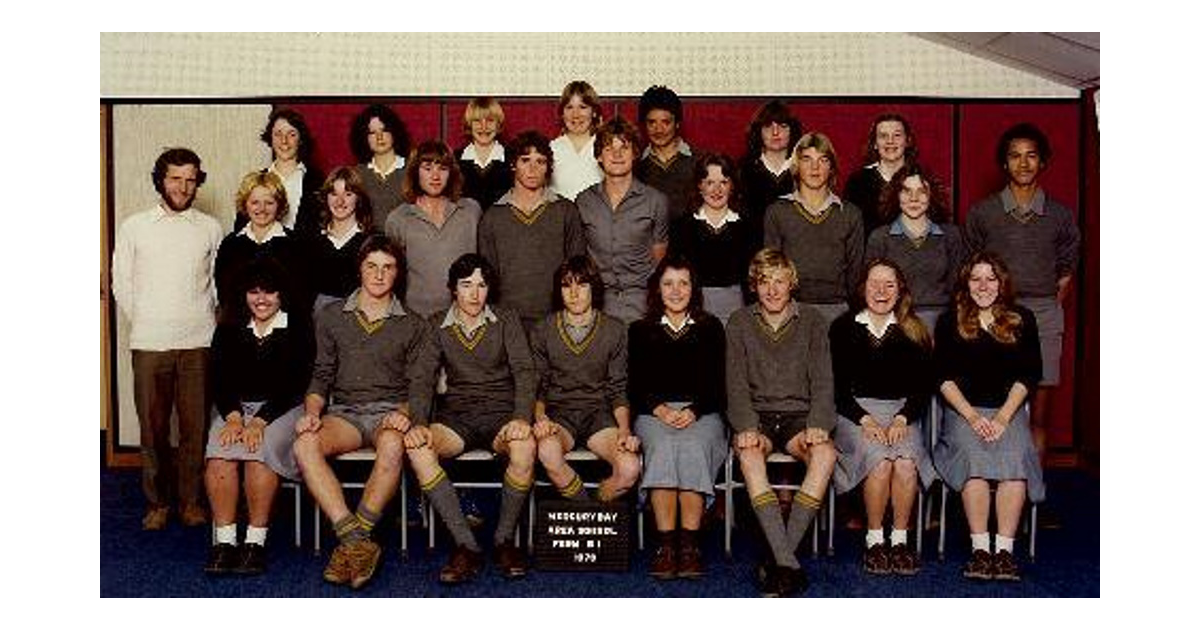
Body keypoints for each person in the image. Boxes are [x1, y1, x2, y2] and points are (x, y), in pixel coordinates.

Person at [292, 235, 433, 590]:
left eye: (388, 267)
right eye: (372, 266)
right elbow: (322, 374)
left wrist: (405, 412)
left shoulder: (414, 324)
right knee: (304, 444)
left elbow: (420, 385)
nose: (379, 275)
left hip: (391, 413)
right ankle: (355, 540)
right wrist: (312, 412)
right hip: (347, 414)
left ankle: (354, 543)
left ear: (398, 273)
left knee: (392, 445)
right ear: (360, 269)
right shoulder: (331, 316)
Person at [405, 254, 538, 583]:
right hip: (457, 417)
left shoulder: (506, 318)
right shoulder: (437, 323)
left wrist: (522, 417)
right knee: (419, 449)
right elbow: (422, 378)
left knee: (524, 448)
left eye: (481, 285)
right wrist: (420, 422)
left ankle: (503, 540)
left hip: (502, 415)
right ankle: (467, 545)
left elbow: (525, 371)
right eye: (466, 285)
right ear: (453, 289)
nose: (474, 294)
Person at [112, 147, 224, 530]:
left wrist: (206, 321)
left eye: (191, 179)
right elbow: (121, 283)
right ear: (161, 180)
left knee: (195, 428)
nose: (183, 186)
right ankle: (158, 503)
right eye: (175, 178)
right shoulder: (134, 227)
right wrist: (145, 319)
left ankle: (191, 502)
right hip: (149, 340)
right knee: (153, 427)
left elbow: (215, 287)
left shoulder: (209, 228)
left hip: (198, 340)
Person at [964, 122, 1080, 464]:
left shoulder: (1059, 215)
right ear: (1004, 163)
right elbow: (971, 268)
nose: (1023, 163)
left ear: (1042, 162)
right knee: (997, 407)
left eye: (1031, 156)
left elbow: (1066, 273)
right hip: (995, 314)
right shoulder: (982, 213)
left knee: (1038, 415)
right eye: (1015, 156)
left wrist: (1040, 310)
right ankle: (994, 488)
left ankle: (1033, 498)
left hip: (1043, 315)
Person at [725, 248, 836, 596]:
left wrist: (818, 422)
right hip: (757, 416)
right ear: (753, 287)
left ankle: (778, 559)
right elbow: (735, 383)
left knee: (826, 455)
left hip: (799, 417)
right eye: (763, 282)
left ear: (792, 284)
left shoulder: (814, 321)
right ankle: (788, 562)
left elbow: (822, 381)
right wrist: (745, 426)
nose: (772, 289)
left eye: (779, 281)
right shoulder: (740, 322)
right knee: (749, 456)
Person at [933, 252, 1044, 582]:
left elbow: (1029, 375)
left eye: (990, 278)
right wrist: (971, 417)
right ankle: (981, 551)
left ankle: (1005, 553)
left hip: (1006, 412)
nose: (983, 285)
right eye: (976, 278)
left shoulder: (1021, 318)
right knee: (973, 458)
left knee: (1015, 458)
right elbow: (942, 377)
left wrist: (1002, 419)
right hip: (963, 412)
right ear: (966, 284)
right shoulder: (949, 320)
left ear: (1002, 283)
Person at [203, 258, 314, 575]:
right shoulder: (228, 327)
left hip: (282, 409)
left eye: (269, 292)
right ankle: (224, 542)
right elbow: (219, 379)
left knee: (256, 452)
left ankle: (254, 543)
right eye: (254, 292)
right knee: (220, 456)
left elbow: (297, 383)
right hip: (235, 408)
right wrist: (235, 418)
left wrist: (259, 421)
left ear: (282, 295)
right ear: (244, 295)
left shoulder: (298, 326)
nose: (261, 299)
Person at [829, 259, 936, 577]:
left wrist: (904, 418)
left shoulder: (913, 329)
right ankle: (875, 541)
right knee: (879, 461)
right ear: (863, 288)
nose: (881, 291)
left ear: (900, 290)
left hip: (902, 412)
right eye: (875, 283)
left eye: (890, 285)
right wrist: (866, 420)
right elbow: (834, 388)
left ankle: (900, 542)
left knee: (904, 462)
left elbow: (923, 386)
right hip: (855, 415)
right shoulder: (843, 327)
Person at [628, 254, 726, 580]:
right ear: (657, 289)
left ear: (693, 289)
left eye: (683, 283)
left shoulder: (711, 328)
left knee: (693, 446)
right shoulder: (640, 330)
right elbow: (634, 385)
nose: (676, 290)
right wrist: (661, 410)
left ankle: (690, 544)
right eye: (668, 283)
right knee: (662, 446)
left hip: (703, 412)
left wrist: (694, 411)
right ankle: (666, 545)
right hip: (653, 412)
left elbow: (719, 384)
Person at [531, 256, 640, 506]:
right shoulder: (543, 329)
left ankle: (600, 505)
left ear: (594, 288)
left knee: (630, 468)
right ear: (559, 291)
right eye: (567, 285)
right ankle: (585, 509)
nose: (574, 293)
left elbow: (618, 386)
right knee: (547, 451)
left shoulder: (614, 329)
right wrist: (540, 418)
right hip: (560, 414)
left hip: (599, 414)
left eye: (581, 285)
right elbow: (538, 384)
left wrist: (624, 429)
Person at [478, 130, 586, 330]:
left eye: (541, 161)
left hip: (557, 320)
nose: (533, 168)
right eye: (525, 160)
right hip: (506, 322)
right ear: (513, 164)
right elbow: (486, 279)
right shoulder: (492, 217)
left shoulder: (566, 211)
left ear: (548, 167)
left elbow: (578, 272)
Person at [763, 131, 864, 328]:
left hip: (838, 309)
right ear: (796, 166)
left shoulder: (851, 214)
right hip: (790, 309)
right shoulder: (777, 212)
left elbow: (856, 272)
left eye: (823, 160)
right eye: (807, 159)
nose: (815, 168)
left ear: (832, 167)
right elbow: (771, 268)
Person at [576, 117, 670, 323]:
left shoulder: (656, 201)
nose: (617, 154)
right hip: (597, 304)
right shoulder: (583, 201)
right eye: (609, 148)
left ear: (635, 153)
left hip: (642, 303)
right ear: (599, 156)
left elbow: (658, 260)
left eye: (624, 147)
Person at [384, 140, 482, 318]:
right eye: (427, 168)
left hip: (464, 318)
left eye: (442, 168)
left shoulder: (470, 211)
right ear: (416, 172)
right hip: (417, 318)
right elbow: (392, 278)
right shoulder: (398, 219)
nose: (435, 176)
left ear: (451, 172)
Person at [866, 163, 965, 333]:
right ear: (896, 195)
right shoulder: (880, 237)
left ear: (931, 195)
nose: (914, 198)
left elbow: (958, 288)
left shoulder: (951, 236)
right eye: (906, 191)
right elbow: (870, 291)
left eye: (921, 191)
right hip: (894, 321)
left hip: (941, 323)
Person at [669, 152, 755, 325]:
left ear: (732, 186)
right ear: (699, 186)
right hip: (693, 307)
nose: (717, 190)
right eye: (710, 182)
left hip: (738, 308)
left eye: (724, 182)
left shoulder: (748, 226)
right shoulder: (682, 226)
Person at [214, 171, 309, 324]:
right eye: (255, 202)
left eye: (269, 203)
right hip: (239, 331)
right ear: (245, 204)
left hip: (285, 334)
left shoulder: (296, 244)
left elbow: (301, 296)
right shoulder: (230, 244)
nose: (262, 209)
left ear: (279, 205)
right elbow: (224, 294)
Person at [234, 108, 325, 236]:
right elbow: (241, 229)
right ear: (270, 138)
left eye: (292, 134)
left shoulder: (318, 181)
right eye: (278, 134)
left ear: (301, 140)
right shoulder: (255, 182)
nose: (284, 141)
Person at [304, 166, 375, 312]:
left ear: (359, 198)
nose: (340, 201)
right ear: (326, 197)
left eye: (348, 194)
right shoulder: (312, 239)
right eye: (334, 194)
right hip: (319, 318)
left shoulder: (372, 240)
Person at [843, 113, 919, 238]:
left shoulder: (921, 179)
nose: (890, 141)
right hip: (870, 255)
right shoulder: (857, 182)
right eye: (883, 136)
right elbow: (850, 229)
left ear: (907, 141)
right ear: (875, 144)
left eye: (897, 135)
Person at [739, 100, 802, 248]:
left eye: (782, 126)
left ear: (792, 130)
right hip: (753, 252)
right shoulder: (743, 169)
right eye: (768, 126)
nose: (775, 132)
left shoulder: (805, 168)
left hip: (797, 251)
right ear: (758, 131)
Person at [636, 85, 697, 223]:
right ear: (643, 125)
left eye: (666, 122)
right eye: (652, 122)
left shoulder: (699, 162)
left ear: (677, 124)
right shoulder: (635, 165)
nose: (659, 130)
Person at [350, 103, 412, 230]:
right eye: (372, 133)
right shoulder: (356, 174)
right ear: (364, 138)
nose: (379, 137)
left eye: (384, 130)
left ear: (394, 132)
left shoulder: (412, 170)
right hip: (368, 245)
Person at [549, 80, 604, 201]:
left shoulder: (606, 146)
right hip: (560, 217)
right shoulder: (552, 148)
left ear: (594, 112)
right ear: (562, 114)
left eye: (583, 107)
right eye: (569, 107)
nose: (576, 115)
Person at [458, 97, 512, 210]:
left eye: (490, 120)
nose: (484, 127)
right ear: (469, 125)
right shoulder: (455, 159)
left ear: (498, 125)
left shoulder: (512, 158)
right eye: (477, 121)